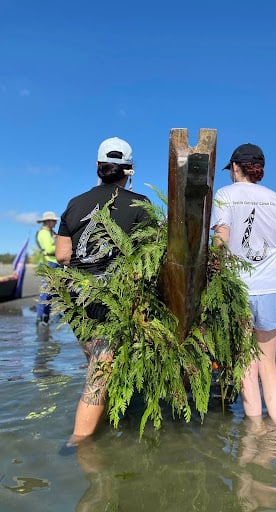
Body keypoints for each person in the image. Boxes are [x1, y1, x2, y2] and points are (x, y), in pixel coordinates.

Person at [55, 136, 150, 447]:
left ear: (98, 167)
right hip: (114, 297)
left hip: (78, 296)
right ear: (129, 171)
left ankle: (106, 423)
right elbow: (151, 255)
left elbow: (62, 256)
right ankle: (79, 444)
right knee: (100, 372)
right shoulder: (140, 205)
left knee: (96, 364)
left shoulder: (73, 203)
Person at [210, 143, 276, 426]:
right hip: (272, 287)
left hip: (238, 289)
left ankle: (254, 431)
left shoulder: (225, 195)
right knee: (269, 364)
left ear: (234, 167)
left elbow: (221, 238)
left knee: (246, 364)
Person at [36, 211, 60, 326]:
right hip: (48, 263)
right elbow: (49, 249)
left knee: (50, 292)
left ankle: (45, 318)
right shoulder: (43, 233)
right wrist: (61, 244)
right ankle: (40, 319)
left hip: (53, 263)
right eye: (54, 220)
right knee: (46, 292)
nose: (56, 222)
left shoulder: (51, 232)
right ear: (48, 221)